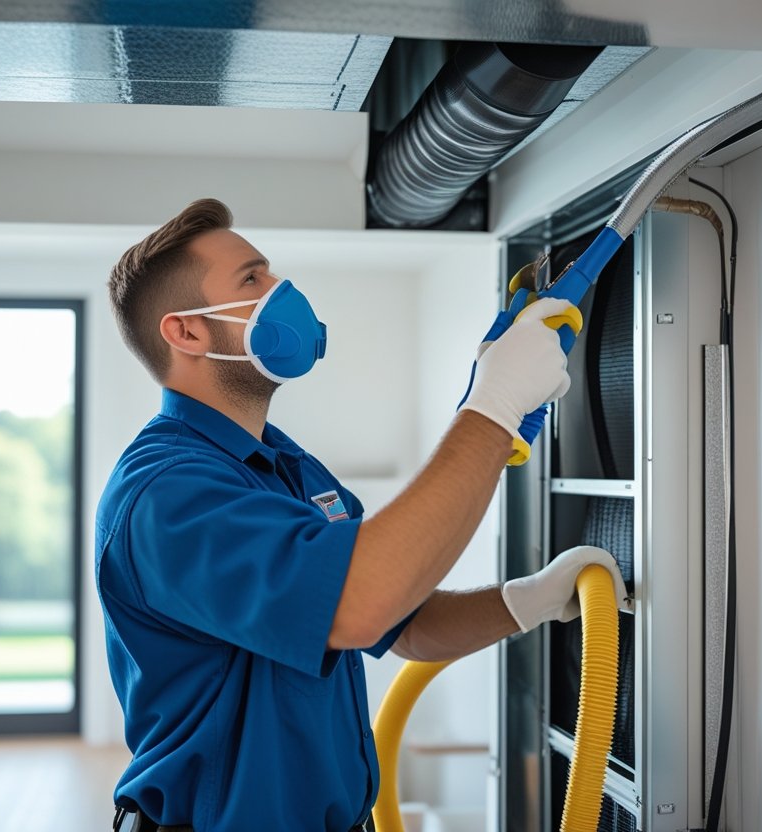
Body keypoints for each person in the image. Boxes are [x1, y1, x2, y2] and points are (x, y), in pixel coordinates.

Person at [97, 198, 618, 832]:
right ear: (186, 332)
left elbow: (404, 622)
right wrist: (495, 403)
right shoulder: (169, 491)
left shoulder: (287, 466)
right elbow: (358, 605)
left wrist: (529, 601)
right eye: (252, 280)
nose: (280, 291)